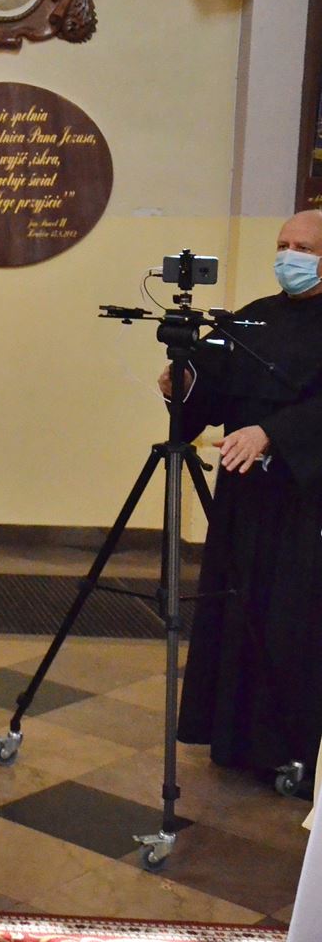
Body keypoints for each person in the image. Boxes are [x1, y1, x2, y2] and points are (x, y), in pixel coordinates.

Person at [172, 210, 322, 783]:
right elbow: (211, 395)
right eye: (282, 245)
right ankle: (234, 739)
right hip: (241, 499)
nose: (289, 257)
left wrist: (274, 435)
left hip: (302, 499)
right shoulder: (253, 317)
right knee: (233, 609)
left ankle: (289, 744)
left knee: (290, 618)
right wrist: (184, 388)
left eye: (302, 247)